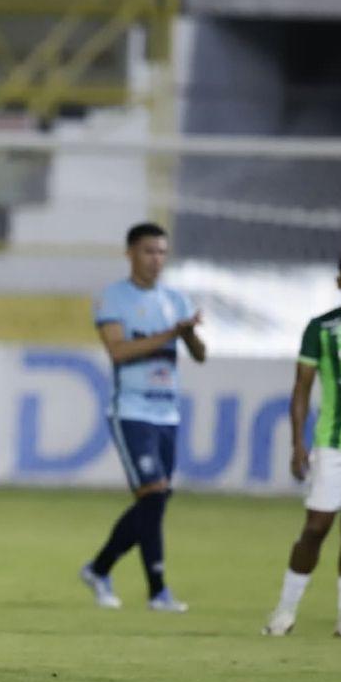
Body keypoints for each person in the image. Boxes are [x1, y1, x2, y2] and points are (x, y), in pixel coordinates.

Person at [80, 222, 205, 612]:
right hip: (131, 410)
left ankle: (99, 569)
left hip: (168, 412)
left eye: (162, 252)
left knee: (156, 500)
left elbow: (200, 355)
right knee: (153, 493)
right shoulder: (112, 298)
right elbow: (118, 351)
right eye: (149, 251)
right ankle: (158, 591)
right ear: (130, 253)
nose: (156, 259)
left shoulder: (176, 299)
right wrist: (171, 333)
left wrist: (189, 334)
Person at [263, 250, 341, 639]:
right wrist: (297, 444)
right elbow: (301, 388)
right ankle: (285, 611)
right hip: (333, 445)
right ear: (339, 283)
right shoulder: (321, 328)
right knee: (317, 526)